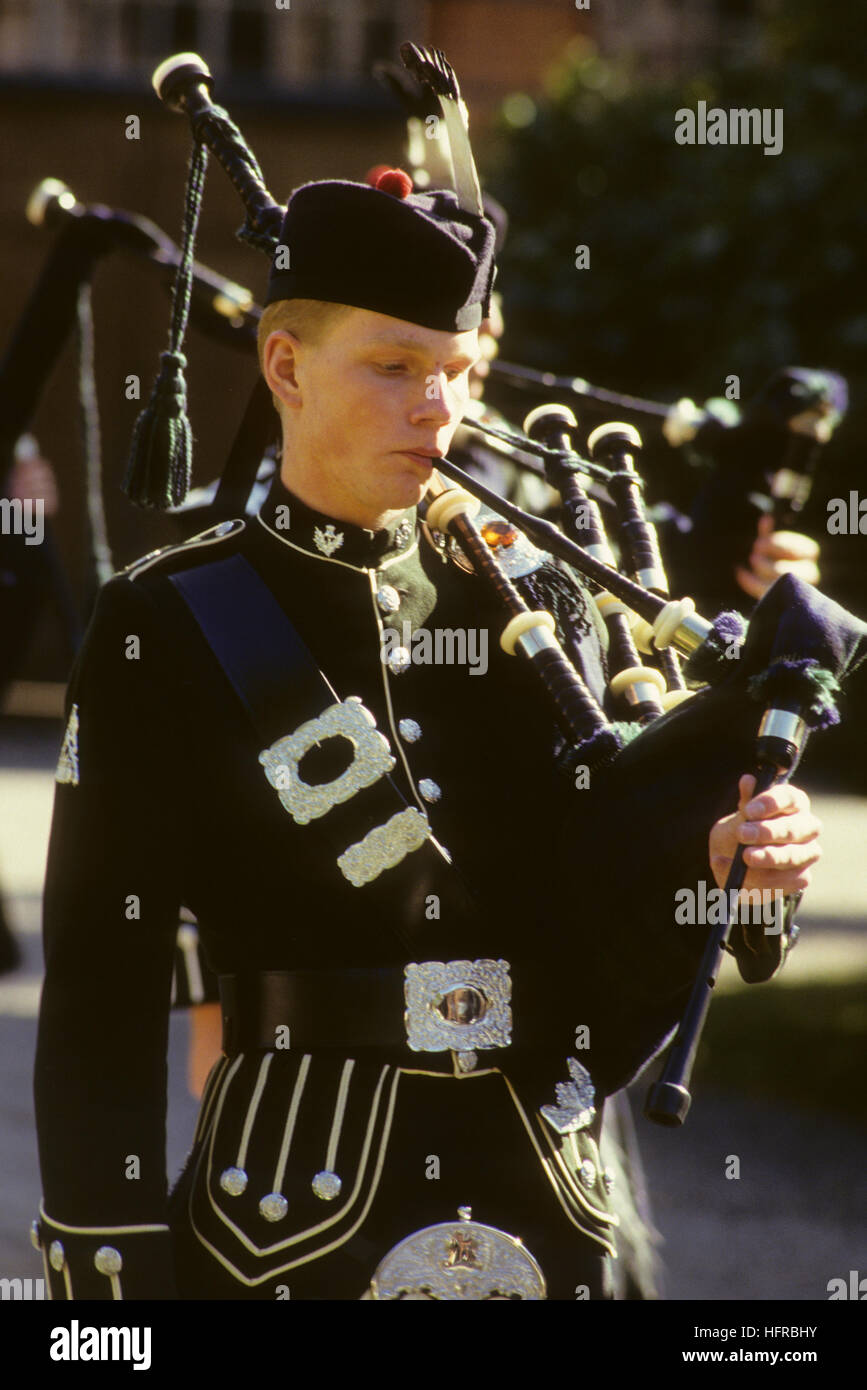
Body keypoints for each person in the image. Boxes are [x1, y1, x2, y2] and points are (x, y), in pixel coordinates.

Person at [32, 170, 822, 1301]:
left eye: (453, 373)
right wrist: (105, 1316)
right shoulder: (168, 619)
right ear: (286, 368)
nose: (439, 409)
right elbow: (102, 999)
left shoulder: (535, 593)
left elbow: (607, 922)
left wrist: (740, 873)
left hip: (540, 1204)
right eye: (394, 368)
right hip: (285, 1220)